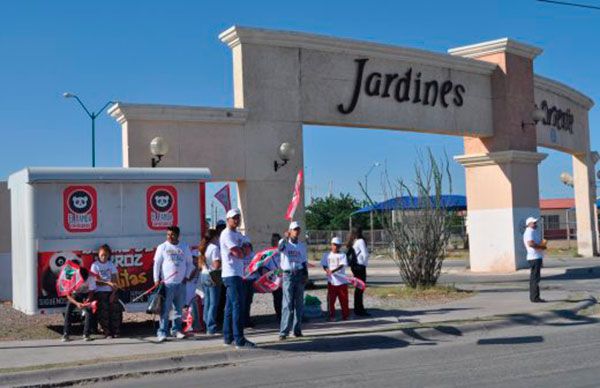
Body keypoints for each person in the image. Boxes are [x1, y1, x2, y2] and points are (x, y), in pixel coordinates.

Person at [220, 209, 256, 349]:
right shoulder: (227, 234)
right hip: (231, 274)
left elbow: (248, 248)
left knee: (230, 307)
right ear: (228, 219)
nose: (236, 220)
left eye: (238, 218)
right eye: (234, 218)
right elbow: (240, 253)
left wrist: (244, 248)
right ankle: (239, 339)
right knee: (237, 306)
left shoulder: (238, 234)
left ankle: (228, 337)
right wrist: (243, 249)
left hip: (237, 274)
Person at [153, 226, 194, 342]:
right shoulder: (162, 247)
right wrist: (156, 279)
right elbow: (157, 264)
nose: (170, 237)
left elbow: (190, 263)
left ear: (178, 235)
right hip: (167, 284)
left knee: (178, 309)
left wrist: (186, 276)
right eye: (168, 234)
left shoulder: (184, 247)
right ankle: (162, 332)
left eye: (172, 235)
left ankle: (176, 330)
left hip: (180, 284)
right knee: (165, 310)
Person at [278, 221, 308, 340]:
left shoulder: (301, 246)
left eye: (298, 229)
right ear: (290, 231)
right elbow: (279, 248)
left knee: (299, 304)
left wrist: (306, 274)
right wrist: (284, 238)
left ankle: (297, 330)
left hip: (299, 274)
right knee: (287, 303)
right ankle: (283, 331)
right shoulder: (285, 244)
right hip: (288, 275)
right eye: (294, 229)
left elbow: (304, 261)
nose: (296, 232)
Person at [90, 244, 122, 338]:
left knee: (115, 311)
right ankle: (106, 332)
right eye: (102, 255)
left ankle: (116, 331)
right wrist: (108, 283)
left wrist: (113, 293)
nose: (104, 257)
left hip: (111, 291)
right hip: (100, 292)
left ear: (109, 255)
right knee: (103, 312)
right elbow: (95, 281)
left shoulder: (110, 264)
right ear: (98, 255)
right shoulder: (95, 265)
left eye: (106, 255)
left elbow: (115, 280)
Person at [62, 267, 96, 342]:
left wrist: (87, 300)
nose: (83, 281)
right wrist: (77, 303)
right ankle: (66, 334)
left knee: (89, 310)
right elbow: (68, 295)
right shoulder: (71, 276)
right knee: (68, 310)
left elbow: (91, 292)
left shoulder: (91, 277)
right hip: (76, 295)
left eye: (85, 279)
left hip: (86, 295)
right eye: (82, 280)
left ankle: (86, 334)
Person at [199, 228, 222, 335]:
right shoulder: (214, 248)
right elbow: (216, 265)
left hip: (203, 275)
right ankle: (211, 327)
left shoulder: (203, 247)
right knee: (214, 303)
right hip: (213, 276)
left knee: (207, 302)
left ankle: (206, 323)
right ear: (214, 237)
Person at [322, 237, 350, 321]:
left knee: (344, 300)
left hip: (342, 282)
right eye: (334, 245)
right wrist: (327, 270)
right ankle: (331, 316)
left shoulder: (343, 255)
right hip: (331, 282)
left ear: (340, 246)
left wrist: (332, 271)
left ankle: (345, 316)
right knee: (331, 300)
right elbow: (324, 264)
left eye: (337, 245)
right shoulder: (327, 255)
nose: (335, 247)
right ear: (331, 245)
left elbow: (342, 265)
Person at [523, 217, 547, 303]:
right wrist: (542, 247)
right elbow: (530, 244)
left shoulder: (533, 231)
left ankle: (535, 297)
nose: (536, 224)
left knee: (536, 278)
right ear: (529, 224)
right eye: (534, 222)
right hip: (534, 257)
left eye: (536, 222)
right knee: (535, 278)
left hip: (537, 257)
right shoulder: (529, 231)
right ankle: (535, 298)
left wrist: (542, 244)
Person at [348, 227, 370, 316]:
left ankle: (357, 308)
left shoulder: (354, 241)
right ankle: (359, 309)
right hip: (360, 266)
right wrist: (366, 262)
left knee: (358, 288)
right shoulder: (360, 241)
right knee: (360, 288)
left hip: (354, 266)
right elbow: (365, 254)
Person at [241, 237, 257, 328]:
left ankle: (247, 320)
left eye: (248, 246)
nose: (247, 248)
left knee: (248, 301)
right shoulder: (240, 256)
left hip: (250, 280)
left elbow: (256, 266)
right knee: (242, 302)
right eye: (245, 246)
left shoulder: (252, 255)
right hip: (243, 280)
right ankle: (242, 320)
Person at [267, 233, 283, 321]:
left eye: (276, 240)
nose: (274, 242)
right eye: (272, 241)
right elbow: (265, 267)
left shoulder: (283, 251)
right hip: (275, 281)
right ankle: (279, 316)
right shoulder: (269, 253)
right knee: (277, 299)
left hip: (285, 280)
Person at [215, 219, 228, 328]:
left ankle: (221, 318)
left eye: (223, 227)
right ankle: (217, 318)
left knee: (223, 297)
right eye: (220, 227)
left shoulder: (226, 239)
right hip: (217, 272)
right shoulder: (215, 242)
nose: (222, 229)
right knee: (217, 297)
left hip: (225, 271)